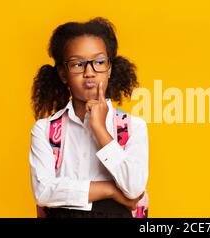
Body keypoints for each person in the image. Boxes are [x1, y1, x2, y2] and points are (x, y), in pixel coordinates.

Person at [29, 17, 148, 218]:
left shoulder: (133, 127)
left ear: (109, 69)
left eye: (99, 62)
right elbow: (43, 191)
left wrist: (100, 130)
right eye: (77, 64)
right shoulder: (45, 130)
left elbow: (134, 189)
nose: (89, 72)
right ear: (63, 74)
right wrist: (110, 190)